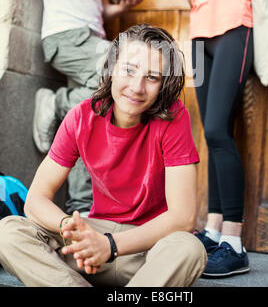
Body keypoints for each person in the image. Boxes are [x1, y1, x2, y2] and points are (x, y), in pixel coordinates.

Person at [0, 24, 207, 287]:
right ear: (111, 69)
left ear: (163, 85)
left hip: (146, 250)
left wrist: (110, 245)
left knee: (189, 248)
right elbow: (35, 201)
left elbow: (182, 217)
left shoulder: (174, 118)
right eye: (129, 71)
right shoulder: (81, 117)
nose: (137, 87)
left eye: (152, 77)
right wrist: (71, 227)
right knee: (8, 231)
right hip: (91, 240)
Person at [32, 0, 160, 216]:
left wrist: (123, 6)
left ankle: (81, 209)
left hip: (89, 35)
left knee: (92, 117)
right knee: (116, 73)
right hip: (65, 37)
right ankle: (56, 102)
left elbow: (97, 7)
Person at [181, 0, 268, 277]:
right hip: (201, 36)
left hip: (235, 29)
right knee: (211, 132)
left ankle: (235, 242)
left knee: (219, 130)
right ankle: (214, 229)